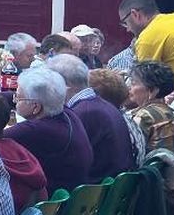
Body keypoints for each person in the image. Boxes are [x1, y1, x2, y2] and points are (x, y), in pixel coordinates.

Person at [46, 53, 136, 182]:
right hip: (109, 186)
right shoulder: (100, 105)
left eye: (48, 84)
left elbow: (62, 160)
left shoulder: (83, 113)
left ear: (63, 85)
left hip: (93, 189)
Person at [2, 66, 94, 193]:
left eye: (17, 97)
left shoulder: (36, 130)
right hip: (74, 193)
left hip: (53, 200)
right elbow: (15, 98)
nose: (14, 101)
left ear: (35, 107)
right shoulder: (66, 113)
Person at [128, 60, 174, 155]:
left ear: (152, 91)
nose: (129, 87)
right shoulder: (169, 112)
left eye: (134, 83)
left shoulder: (144, 116)